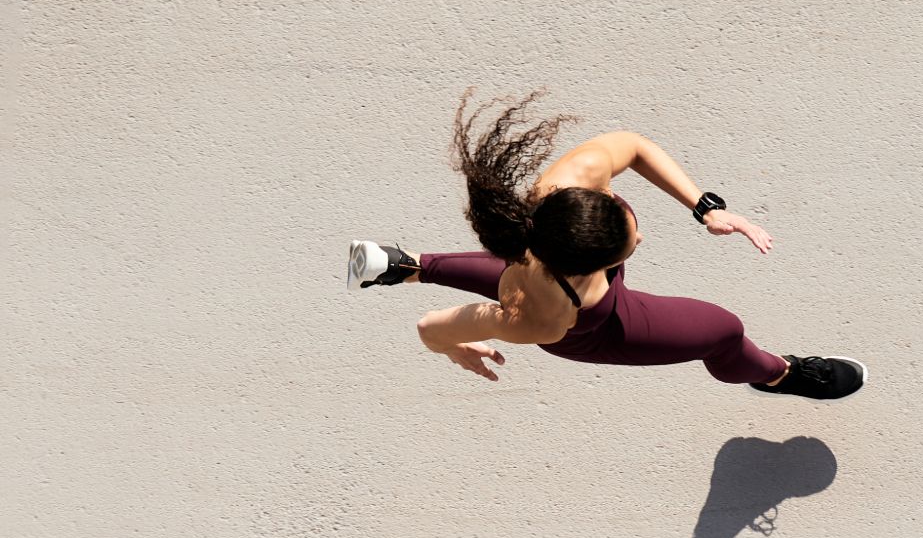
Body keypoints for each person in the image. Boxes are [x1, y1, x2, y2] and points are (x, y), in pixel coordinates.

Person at [347, 90, 866, 401]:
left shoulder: (559, 191)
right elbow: (431, 327)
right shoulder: (540, 319)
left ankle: (399, 266)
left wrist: (706, 208)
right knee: (724, 331)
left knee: (514, 270)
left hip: (542, 273)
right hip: (590, 325)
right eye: (629, 245)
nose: (640, 235)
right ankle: (778, 375)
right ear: (595, 265)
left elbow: (632, 146)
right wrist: (456, 348)